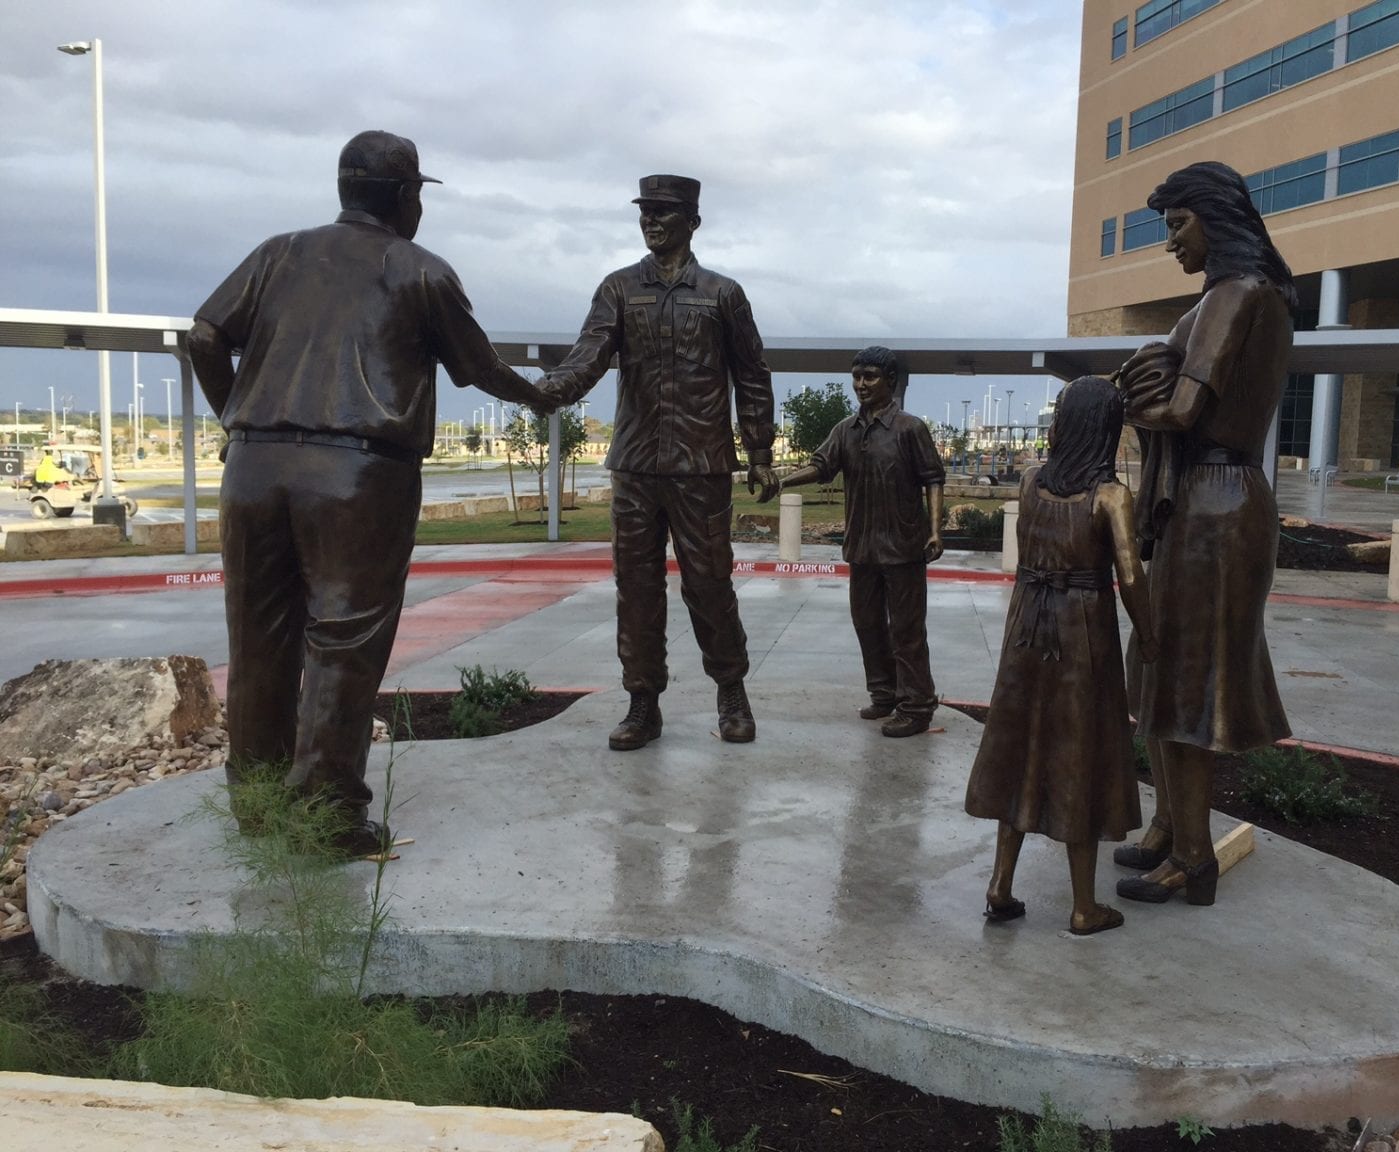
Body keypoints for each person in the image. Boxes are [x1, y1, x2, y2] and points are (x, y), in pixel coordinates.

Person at [187, 130, 550, 857]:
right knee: (342, 644)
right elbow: (477, 369)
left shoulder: (277, 252)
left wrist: (235, 418)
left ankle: (257, 809)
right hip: (357, 478)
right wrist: (544, 399)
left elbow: (203, 337)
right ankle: (324, 816)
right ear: (406, 197)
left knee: (258, 642)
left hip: (253, 468)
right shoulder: (418, 270)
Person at [536, 175, 778, 751]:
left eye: (665, 213)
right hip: (638, 468)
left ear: (692, 221)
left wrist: (761, 451)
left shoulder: (724, 294)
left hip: (703, 466)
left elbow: (752, 375)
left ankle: (731, 690)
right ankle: (642, 701)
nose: (652, 221)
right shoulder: (618, 289)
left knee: (710, 584)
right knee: (637, 590)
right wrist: (545, 390)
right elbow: (587, 358)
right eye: (646, 212)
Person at [1112, 161, 1295, 907]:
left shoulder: (1236, 294)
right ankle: (1167, 827)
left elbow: (1183, 412)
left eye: (1178, 225)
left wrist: (1116, 404)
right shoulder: (1244, 299)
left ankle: (1193, 856)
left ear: (1218, 220)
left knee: (1183, 676)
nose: (1170, 243)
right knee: (1160, 664)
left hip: (1214, 501)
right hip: (1211, 499)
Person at [963, 377, 1155, 935]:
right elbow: (1131, 575)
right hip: (1081, 628)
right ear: (1107, 429)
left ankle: (1001, 883)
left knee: (1018, 744)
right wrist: (1150, 636)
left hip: (1027, 623)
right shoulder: (1110, 496)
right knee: (1082, 751)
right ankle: (1082, 906)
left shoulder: (1029, 484)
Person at [776, 346, 945, 737]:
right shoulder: (845, 430)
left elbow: (933, 478)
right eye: (857, 376)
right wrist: (781, 482)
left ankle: (917, 704)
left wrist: (935, 530)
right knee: (867, 623)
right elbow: (821, 466)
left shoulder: (909, 428)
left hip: (903, 546)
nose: (861, 385)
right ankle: (883, 693)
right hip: (863, 546)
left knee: (906, 629)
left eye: (870, 377)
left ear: (890, 381)